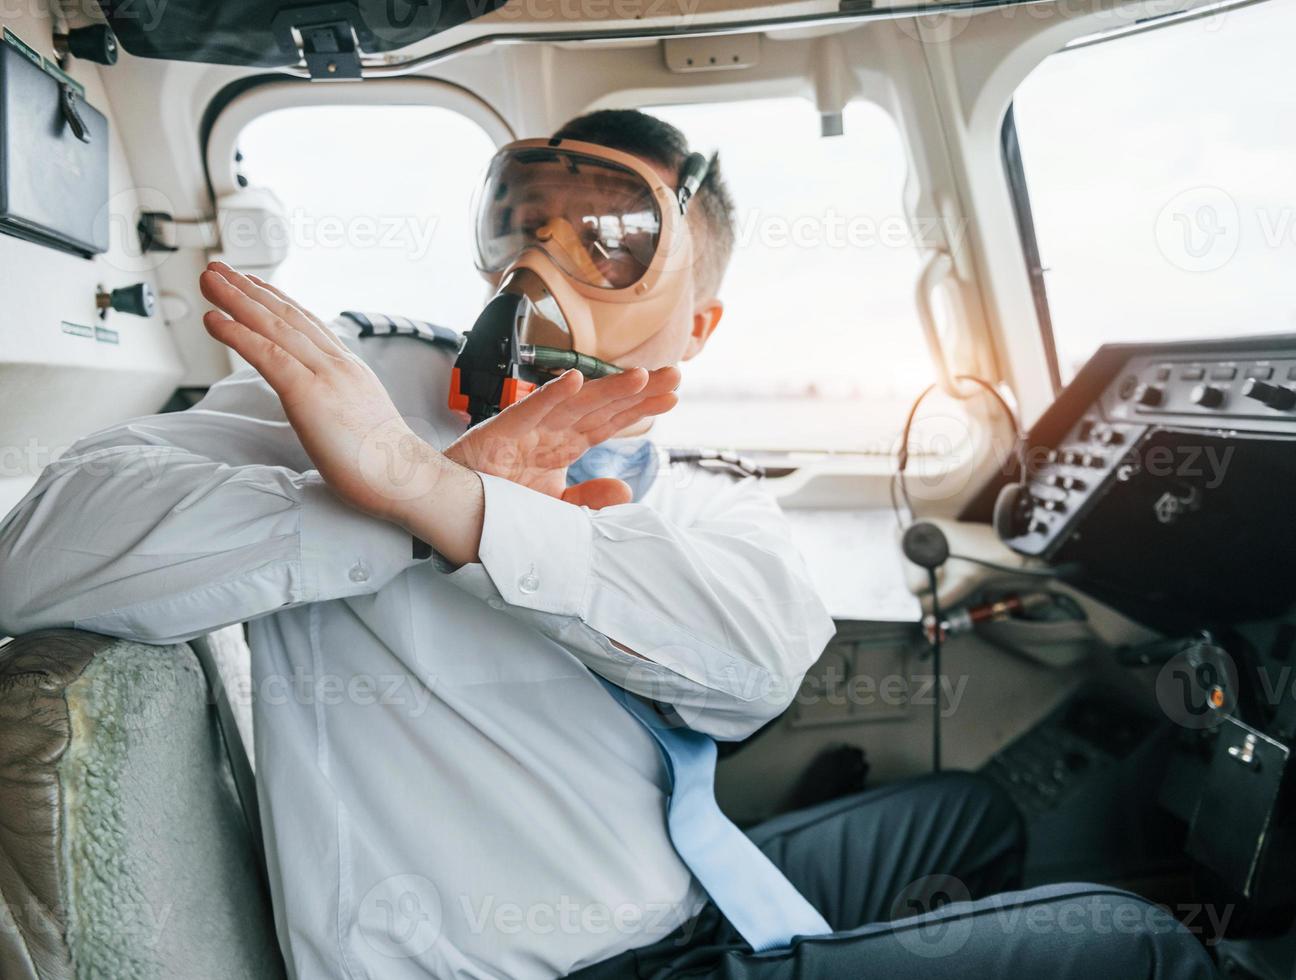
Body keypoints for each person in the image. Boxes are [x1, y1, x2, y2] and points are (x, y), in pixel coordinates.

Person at [0, 110, 1217, 979]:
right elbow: (36, 556)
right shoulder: (361, 398)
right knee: (1138, 941)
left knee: (962, 817)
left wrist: (455, 509)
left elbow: (754, 675)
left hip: (690, 895)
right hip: (562, 961)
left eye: (610, 233)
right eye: (526, 217)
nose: (544, 257)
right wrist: (382, 499)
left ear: (696, 318)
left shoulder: (683, 485)